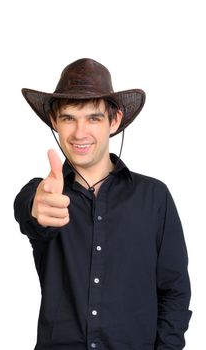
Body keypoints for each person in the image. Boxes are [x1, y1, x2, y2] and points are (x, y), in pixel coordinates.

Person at [14, 58, 192, 350]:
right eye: (69, 118)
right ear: (55, 122)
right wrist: (36, 207)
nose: (80, 132)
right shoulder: (45, 194)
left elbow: (174, 293)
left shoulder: (155, 197)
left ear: (115, 120)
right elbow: (28, 211)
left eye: (93, 118)